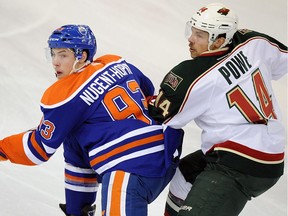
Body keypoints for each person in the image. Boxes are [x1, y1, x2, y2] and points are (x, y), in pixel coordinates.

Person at [0, 24, 184, 216]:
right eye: (53, 54)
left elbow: (37, 150)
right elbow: (148, 90)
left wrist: (2, 148)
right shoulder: (115, 62)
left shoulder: (64, 96)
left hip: (129, 170)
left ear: (83, 56)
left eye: (63, 55)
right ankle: (78, 209)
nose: (55, 62)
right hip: (165, 153)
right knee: (74, 136)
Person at [148, 2, 287, 216]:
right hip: (269, 152)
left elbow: (159, 118)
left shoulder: (193, 76)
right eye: (192, 31)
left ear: (220, 40)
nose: (191, 39)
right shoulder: (253, 41)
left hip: (239, 165)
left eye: (200, 35)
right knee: (185, 174)